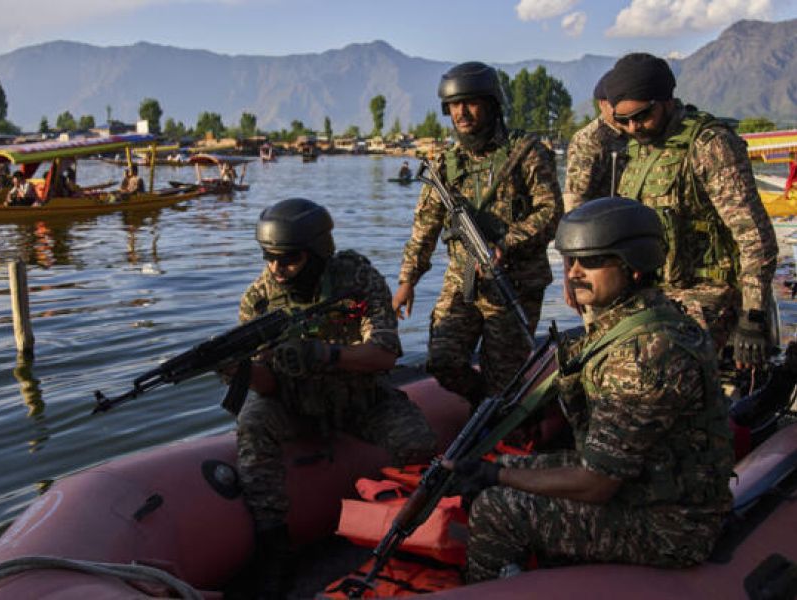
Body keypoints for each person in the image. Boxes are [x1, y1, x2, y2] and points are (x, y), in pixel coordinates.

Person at [453, 197, 733, 582]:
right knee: (510, 466)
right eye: (571, 261)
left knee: (495, 506)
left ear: (633, 265)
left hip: (669, 526)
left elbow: (597, 484)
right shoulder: (646, 318)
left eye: (592, 261)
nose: (574, 273)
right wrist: (499, 470)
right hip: (647, 487)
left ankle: (483, 586)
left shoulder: (642, 356)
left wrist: (496, 478)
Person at [234, 198, 437, 597]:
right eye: (269, 257)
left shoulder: (356, 279)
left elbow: (384, 354)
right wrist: (239, 372)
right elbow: (267, 386)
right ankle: (274, 545)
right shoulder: (259, 301)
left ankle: (414, 526)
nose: (276, 269)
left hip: (360, 398)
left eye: (289, 259)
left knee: (418, 442)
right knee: (252, 423)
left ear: (316, 252)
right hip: (294, 403)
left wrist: (325, 354)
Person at [393, 61, 562, 406]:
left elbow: (551, 211)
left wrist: (506, 244)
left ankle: (497, 412)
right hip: (463, 279)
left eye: (470, 103)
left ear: (491, 104)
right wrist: (407, 281)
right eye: (454, 105)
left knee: (504, 378)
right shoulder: (446, 164)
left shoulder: (525, 153)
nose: (462, 113)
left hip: (515, 283)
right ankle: (484, 404)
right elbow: (425, 226)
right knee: (443, 361)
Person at [603, 52, 778, 369]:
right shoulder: (638, 148)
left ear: (666, 101)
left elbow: (755, 237)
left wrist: (753, 316)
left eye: (641, 116)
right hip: (652, 291)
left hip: (709, 292)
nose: (633, 127)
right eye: (623, 120)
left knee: (655, 366)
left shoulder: (710, 145)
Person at [562, 71, 628, 212]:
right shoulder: (590, 140)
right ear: (602, 104)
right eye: (615, 104)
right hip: (602, 219)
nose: (621, 109)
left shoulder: (630, 131)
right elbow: (575, 200)